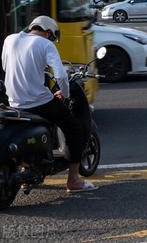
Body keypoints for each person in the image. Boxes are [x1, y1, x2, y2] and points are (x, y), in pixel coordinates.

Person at [1, 16, 98, 193]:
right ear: (47, 32)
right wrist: (65, 95)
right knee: (74, 129)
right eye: (52, 37)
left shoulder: (10, 39)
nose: (51, 40)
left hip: (14, 102)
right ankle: (74, 180)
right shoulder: (45, 44)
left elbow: (7, 67)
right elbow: (60, 75)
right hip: (39, 103)